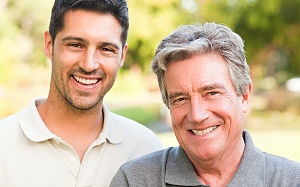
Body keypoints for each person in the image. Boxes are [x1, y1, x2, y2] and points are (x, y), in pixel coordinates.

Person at [0, 0, 163, 186]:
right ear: (49, 44)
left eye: (106, 49)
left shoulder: (146, 149)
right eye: (76, 45)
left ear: (122, 56)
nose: (89, 64)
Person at [110, 22, 300, 187]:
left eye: (212, 93)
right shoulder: (134, 180)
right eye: (180, 99)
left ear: (244, 96)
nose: (197, 115)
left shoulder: (292, 180)